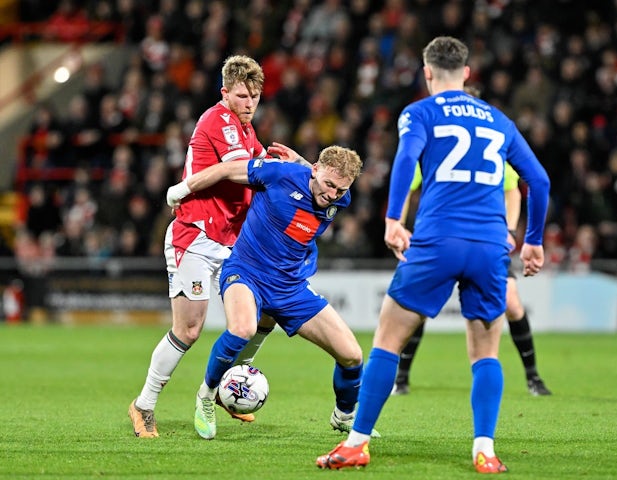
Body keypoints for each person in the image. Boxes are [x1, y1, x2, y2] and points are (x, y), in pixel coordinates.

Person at [316, 36, 550, 473]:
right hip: (488, 246)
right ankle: (484, 449)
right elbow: (538, 180)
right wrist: (532, 239)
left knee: (388, 338)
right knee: (486, 353)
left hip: (438, 239)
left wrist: (391, 220)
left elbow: (406, 158)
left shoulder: (419, 112)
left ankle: (356, 443)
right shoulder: (499, 120)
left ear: (426, 73)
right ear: (466, 73)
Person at [128, 54, 297, 438]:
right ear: (225, 93)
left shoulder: (247, 130)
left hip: (232, 242)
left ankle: (223, 387)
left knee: (264, 313)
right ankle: (144, 405)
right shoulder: (218, 120)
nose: (249, 103)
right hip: (197, 236)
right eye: (241, 95)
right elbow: (246, 174)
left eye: (255, 95)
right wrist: (281, 170)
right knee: (189, 330)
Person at [166, 145, 378, 441]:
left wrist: (307, 164)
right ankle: (206, 396)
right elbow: (228, 170)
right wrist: (181, 189)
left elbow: (329, 182)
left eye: (341, 190)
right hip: (246, 271)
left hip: (291, 287)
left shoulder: (340, 198)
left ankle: (343, 416)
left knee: (352, 356)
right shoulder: (279, 173)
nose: (332, 195)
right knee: (243, 328)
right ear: (315, 170)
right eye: (329, 185)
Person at [392, 162, 551, 396]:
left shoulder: (491, 149)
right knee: (418, 307)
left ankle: (533, 377)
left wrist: (510, 232)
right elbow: (405, 183)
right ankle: (402, 377)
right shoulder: (435, 147)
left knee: (512, 303)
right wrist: (398, 223)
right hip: (439, 239)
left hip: (482, 241)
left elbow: (513, 192)